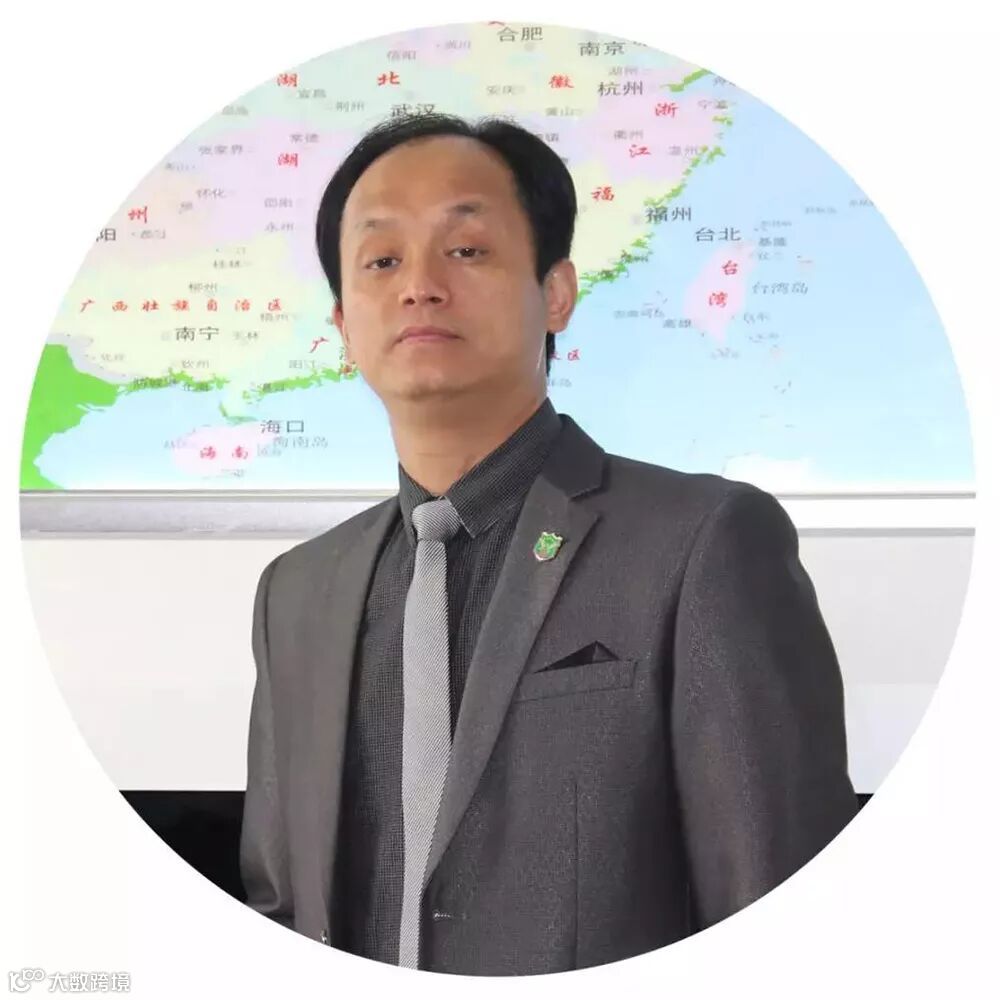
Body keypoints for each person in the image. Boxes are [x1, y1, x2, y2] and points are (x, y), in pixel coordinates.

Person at [238, 112, 858, 975]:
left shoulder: (703, 545)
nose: (419, 286)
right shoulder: (297, 592)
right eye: (381, 261)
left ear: (556, 293)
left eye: (466, 249)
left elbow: (778, 917)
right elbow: (277, 909)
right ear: (343, 325)